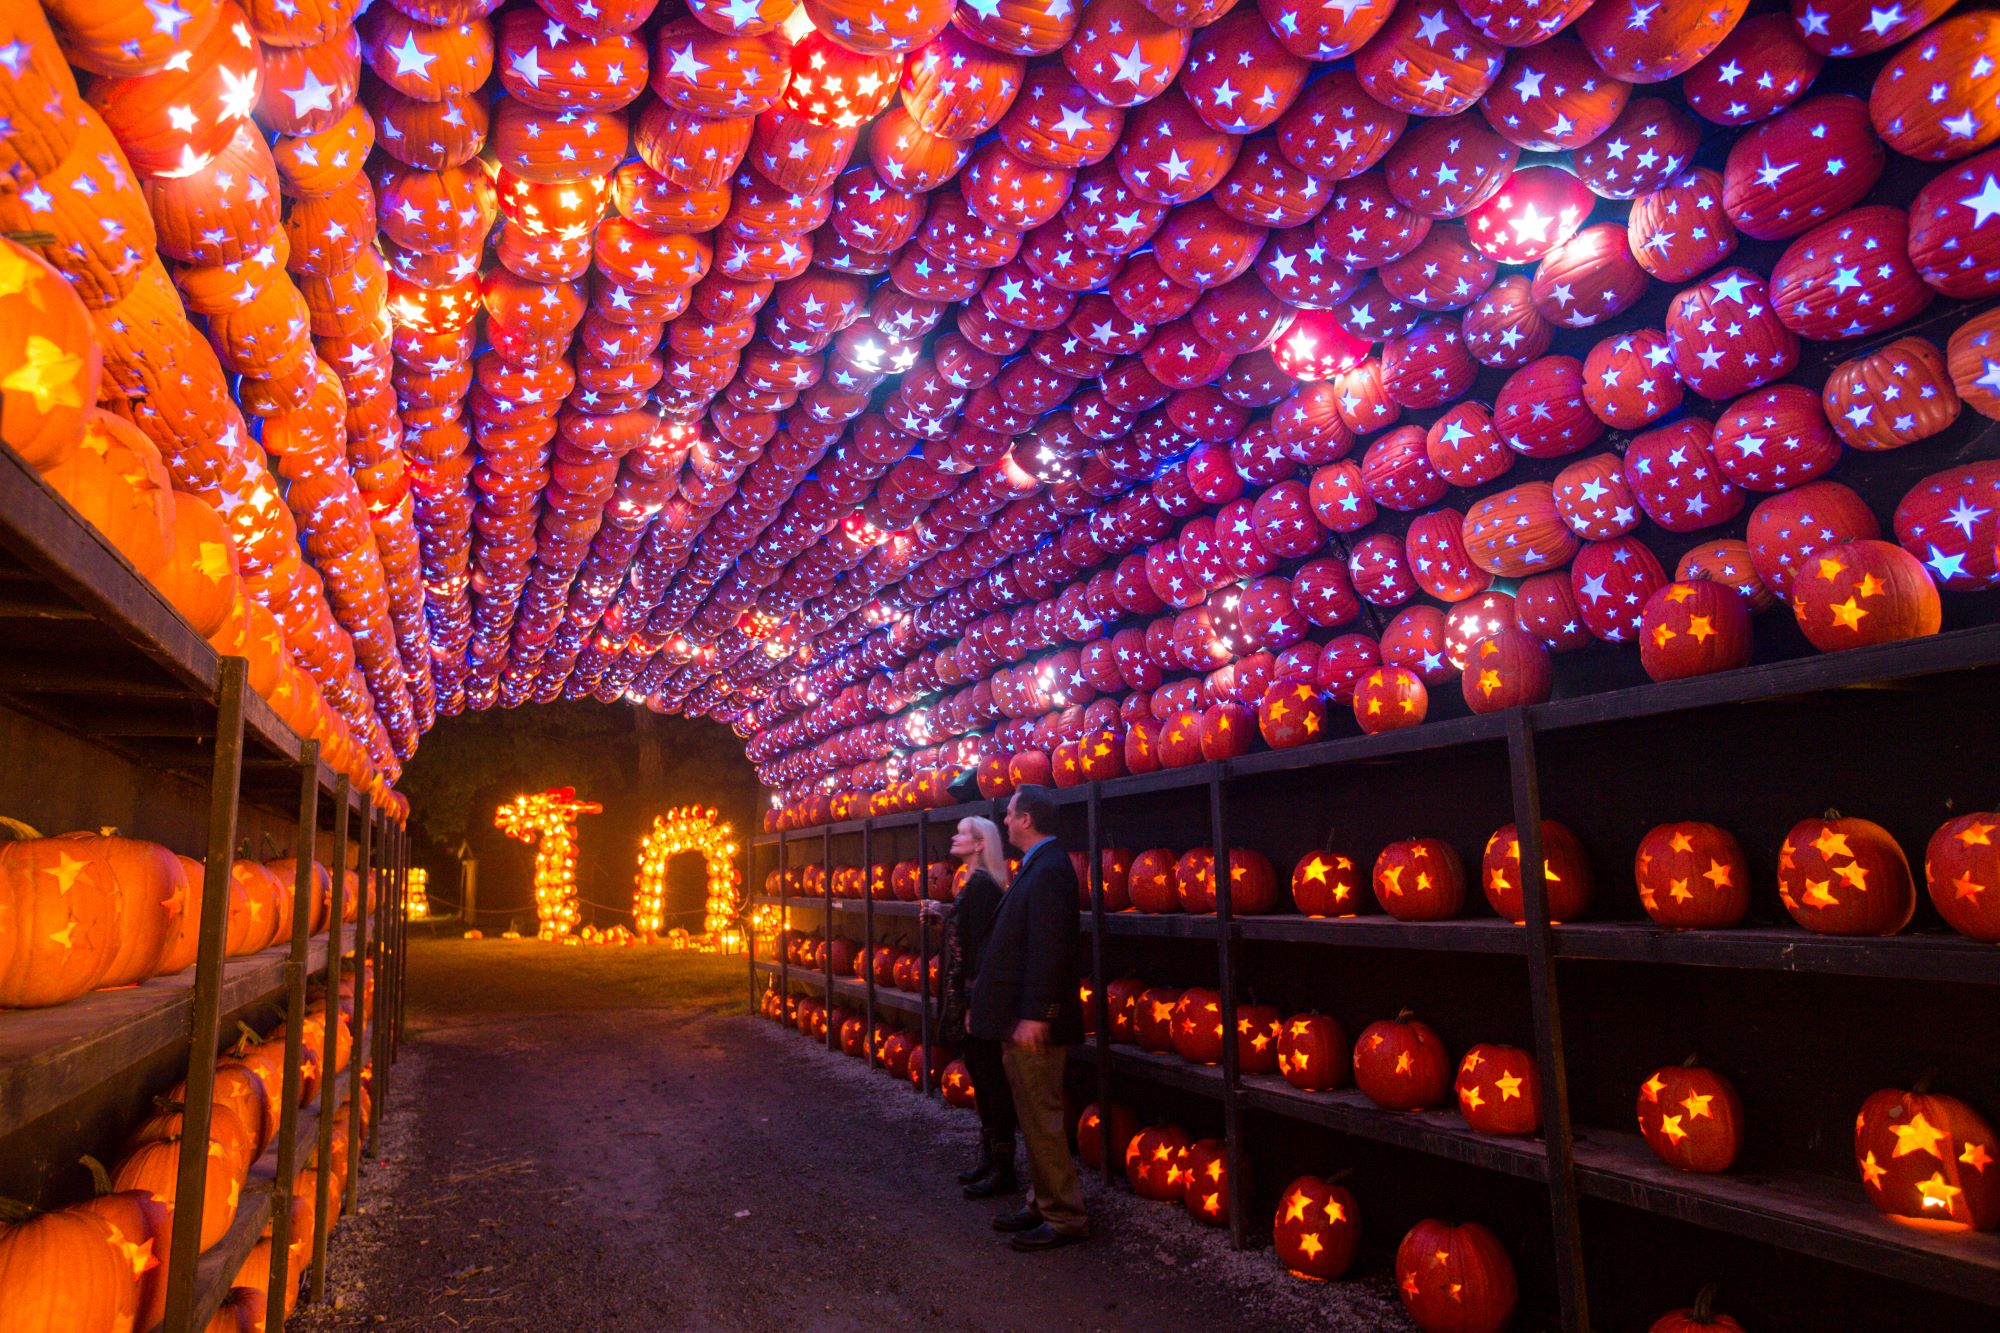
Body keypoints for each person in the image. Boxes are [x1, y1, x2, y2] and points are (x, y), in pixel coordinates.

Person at [971, 785, 1088, 1252]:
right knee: (1031, 1116)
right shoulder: (1037, 867)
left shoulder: (1051, 869)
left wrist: (1038, 1014)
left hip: (1036, 1023)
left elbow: (1051, 948)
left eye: (1010, 814)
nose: (1003, 821)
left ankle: (1065, 1217)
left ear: (1027, 819)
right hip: (1019, 1019)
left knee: (1042, 1119)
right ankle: (1042, 1202)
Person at [921, 816, 1016, 1198]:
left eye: (962, 833)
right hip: (972, 993)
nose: (954, 836)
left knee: (992, 1080)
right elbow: (967, 934)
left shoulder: (983, 887)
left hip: (979, 996)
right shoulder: (975, 884)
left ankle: (1003, 1167)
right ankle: (989, 1158)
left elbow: (986, 951)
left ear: (979, 845)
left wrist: (977, 1003)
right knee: (981, 1075)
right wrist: (943, 917)